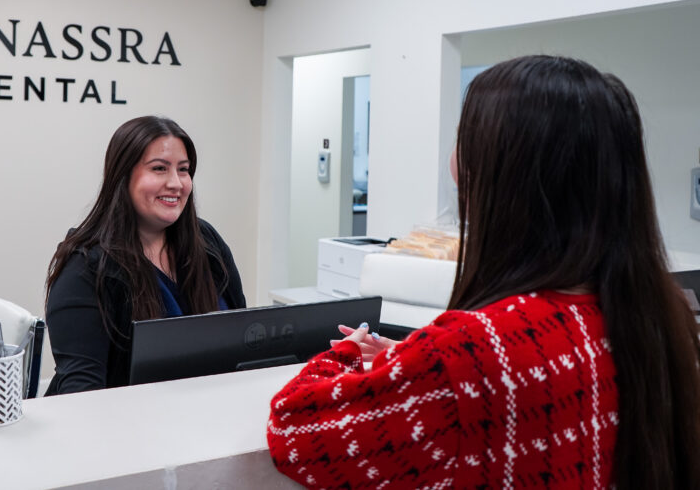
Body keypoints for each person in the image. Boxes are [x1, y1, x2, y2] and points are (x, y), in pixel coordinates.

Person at [267, 55, 700, 488]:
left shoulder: (470, 354)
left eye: (462, 140)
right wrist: (410, 364)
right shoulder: (663, 316)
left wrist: (344, 355)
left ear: (494, 170)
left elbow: (293, 428)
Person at [44, 115, 246, 394]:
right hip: (123, 427)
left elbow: (243, 344)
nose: (176, 183)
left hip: (206, 415)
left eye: (184, 170)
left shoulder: (207, 243)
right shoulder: (85, 268)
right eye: (160, 168)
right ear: (123, 176)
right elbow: (81, 393)